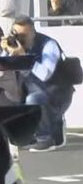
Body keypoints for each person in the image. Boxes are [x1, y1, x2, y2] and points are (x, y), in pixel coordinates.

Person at [9, 16, 75, 152]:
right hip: (29, 89)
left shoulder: (48, 45)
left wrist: (25, 58)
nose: (20, 39)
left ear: (33, 32)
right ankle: (30, 134)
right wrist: (7, 54)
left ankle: (45, 138)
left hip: (56, 92)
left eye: (23, 35)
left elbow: (45, 75)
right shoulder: (13, 46)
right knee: (7, 95)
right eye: (16, 34)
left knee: (34, 98)